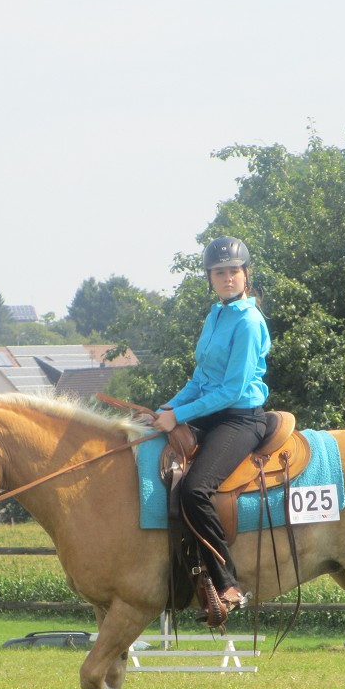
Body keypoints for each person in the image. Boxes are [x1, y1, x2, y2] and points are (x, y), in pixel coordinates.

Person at [152, 236, 271, 625]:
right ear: (210, 278)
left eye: (233, 271)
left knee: (195, 489)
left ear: (246, 275)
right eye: (219, 273)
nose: (227, 278)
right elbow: (201, 377)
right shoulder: (215, 315)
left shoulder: (249, 322)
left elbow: (232, 389)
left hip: (240, 417)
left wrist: (182, 412)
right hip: (211, 412)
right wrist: (170, 407)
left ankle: (227, 583)